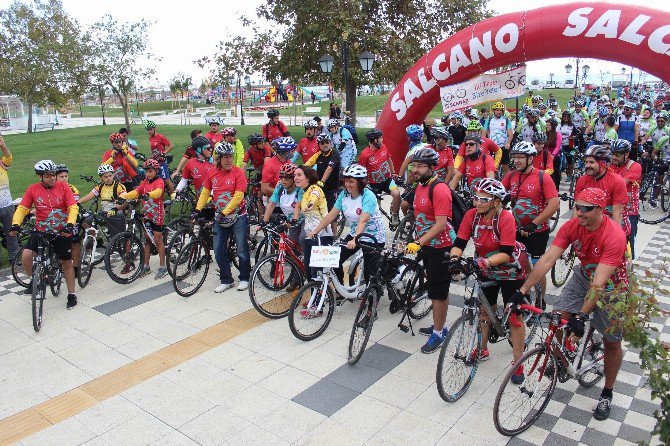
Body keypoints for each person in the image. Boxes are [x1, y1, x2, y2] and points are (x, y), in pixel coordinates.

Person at [511, 188, 628, 421]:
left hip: (613, 286)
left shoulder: (613, 234)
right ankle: (566, 357)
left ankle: (607, 392)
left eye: (586, 208)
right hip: (584, 275)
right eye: (576, 206)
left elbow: (599, 284)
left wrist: (583, 315)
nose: (579, 212)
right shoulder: (573, 226)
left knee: (612, 342)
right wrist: (521, 291)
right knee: (559, 317)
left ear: (600, 210)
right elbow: (547, 259)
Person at [449, 178, 528, 381]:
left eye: (483, 199)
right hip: (486, 267)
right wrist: (455, 259)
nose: (477, 202)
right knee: (485, 310)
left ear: (495, 201)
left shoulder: (505, 218)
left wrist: (482, 263)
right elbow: (460, 241)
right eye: (476, 197)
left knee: (515, 317)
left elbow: (506, 253)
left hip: (510, 270)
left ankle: (518, 363)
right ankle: (482, 349)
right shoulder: (471, 215)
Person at [404, 148, 455, 354]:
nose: (416, 170)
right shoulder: (420, 186)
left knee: (438, 291)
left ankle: (439, 333)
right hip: (427, 245)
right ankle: (438, 325)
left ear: (432, 168)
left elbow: (441, 224)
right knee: (434, 286)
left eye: (420, 166)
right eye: (414, 165)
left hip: (440, 247)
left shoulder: (439, 189)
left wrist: (420, 241)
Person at [10, 160, 78, 309]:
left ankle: (71, 294)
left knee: (66, 262)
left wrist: (70, 224)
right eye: (48, 176)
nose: (52, 178)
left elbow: (73, 207)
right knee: (26, 256)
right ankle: (36, 280)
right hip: (41, 230)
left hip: (62, 230)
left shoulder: (64, 187)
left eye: (53, 175)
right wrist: (16, 223)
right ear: (39, 177)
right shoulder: (33, 189)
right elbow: (22, 208)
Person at [307, 164, 386, 291]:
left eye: (351, 181)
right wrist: (315, 231)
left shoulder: (368, 196)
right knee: (333, 260)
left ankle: (372, 303)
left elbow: (363, 219)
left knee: (369, 274)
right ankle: (340, 290)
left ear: (361, 182)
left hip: (372, 237)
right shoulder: (344, 195)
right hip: (355, 234)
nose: (347, 184)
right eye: (346, 181)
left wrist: (355, 240)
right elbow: (331, 215)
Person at [502, 141, 560, 303]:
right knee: (520, 264)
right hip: (517, 230)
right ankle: (524, 296)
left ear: (530, 158)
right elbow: (498, 192)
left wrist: (534, 223)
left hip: (537, 231)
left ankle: (540, 299)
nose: (517, 161)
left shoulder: (542, 177)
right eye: (515, 157)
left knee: (537, 268)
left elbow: (554, 204)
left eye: (521, 157)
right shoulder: (512, 175)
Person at [194, 142, 250, 292]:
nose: (229, 160)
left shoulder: (238, 173)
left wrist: (225, 212)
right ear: (218, 158)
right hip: (220, 218)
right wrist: (198, 209)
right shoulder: (212, 172)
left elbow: (239, 196)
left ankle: (245, 277)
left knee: (242, 250)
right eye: (225, 157)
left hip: (238, 216)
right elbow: (206, 192)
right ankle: (226, 279)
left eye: (231, 157)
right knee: (218, 250)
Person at [118, 159, 168, 279]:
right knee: (147, 241)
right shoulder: (144, 182)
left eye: (150, 171)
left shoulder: (159, 181)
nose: (148, 174)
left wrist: (148, 195)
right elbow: (136, 192)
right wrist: (124, 196)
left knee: (157, 240)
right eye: (146, 171)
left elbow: (158, 192)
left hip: (157, 214)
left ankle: (163, 267)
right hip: (147, 214)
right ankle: (146, 266)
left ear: (156, 171)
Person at [574, 145, 630, 236]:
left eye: (591, 162)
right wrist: (573, 231)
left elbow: (617, 213)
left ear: (603, 163)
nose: (587, 165)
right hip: (591, 226)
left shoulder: (617, 181)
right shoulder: (582, 181)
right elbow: (577, 209)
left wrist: (615, 237)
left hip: (613, 226)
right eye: (586, 162)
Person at [293, 165, 333, 281]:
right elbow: (298, 205)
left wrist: (309, 205)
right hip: (311, 235)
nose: (296, 178)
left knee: (318, 275)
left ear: (308, 178)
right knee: (310, 273)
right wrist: (293, 220)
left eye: (299, 175)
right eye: (295, 175)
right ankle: (314, 298)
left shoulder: (315, 189)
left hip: (322, 235)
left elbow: (313, 199)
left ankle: (322, 297)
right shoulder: (304, 192)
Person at [357, 129, 401, 229]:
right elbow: (361, 172)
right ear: (374, 140)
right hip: (373, 185)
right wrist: (364, 185)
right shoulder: (364, 154)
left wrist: (393, 172)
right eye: (380, 138)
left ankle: (395, 216)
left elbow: (389, 159)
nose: (382, 139)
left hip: (387, 180)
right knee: (376, 209)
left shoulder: (383, 147)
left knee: (397, 194)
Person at [609, 140, 642, 259]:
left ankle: (628, 270)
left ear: (626, 154)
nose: (613, 157)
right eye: (612, 153)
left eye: (617, 154)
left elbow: (622, 183)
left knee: (628, 245)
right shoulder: (609, 166)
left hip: (629, 212)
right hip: (612, 209)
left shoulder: (634, 166)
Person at [77, 164, 127, 242]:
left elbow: (124, 195)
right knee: (87, 221)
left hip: (116, 212)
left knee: (121, 237)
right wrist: (78, 202)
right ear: (101, 178)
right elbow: (89, 196)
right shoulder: (100, 187)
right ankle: (96, 240)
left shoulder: (119, 186)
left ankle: (127, 251)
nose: (108, 178)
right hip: (104, 213)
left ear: (113, 175)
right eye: (105, 177)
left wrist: (121, 199)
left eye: (110, 175)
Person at [262, 162, 303, 252]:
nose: (283, 180)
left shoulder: (300, 189)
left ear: (294, 178)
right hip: (292, 221)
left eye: (287, 177)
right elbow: (271, 204)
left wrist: (294, 220)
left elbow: (298, 206)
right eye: (281, 177)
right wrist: (264, 221)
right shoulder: (280, 187)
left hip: (305, 219)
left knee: (303, 239)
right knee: (291, 246)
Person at [55, 164, 82, 279]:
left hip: (72, 219)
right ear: (55, 177)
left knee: (74, 243)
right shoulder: (52, 188)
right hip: (58, 219)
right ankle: (61, 265)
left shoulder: (72, 189)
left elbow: (71, 206)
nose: (64, 178)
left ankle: (75, 268)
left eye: (66, 176)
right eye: (61, 176)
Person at [0, 135, 18, 263]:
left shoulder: (2, 164)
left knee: (11, 231)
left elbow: (8, 157)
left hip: (6, 204)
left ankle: (14, 257)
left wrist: (2, 145)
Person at [483, 102, 514, 172]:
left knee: (505, 166)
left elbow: (510, 134)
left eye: (500, 110)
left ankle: (507, 182)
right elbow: (484, 133)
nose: (499, 112)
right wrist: (484, 144)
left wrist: (508, 143)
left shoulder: (506, 120)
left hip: (503, 146)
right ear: (494, 111)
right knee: (490, 166)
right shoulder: (489, 120)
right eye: (497, 110)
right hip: (492, 146)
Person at [145, 120, 174, 195]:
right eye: (148, 130)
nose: (149, 131)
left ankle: (174, 195)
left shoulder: (161, 137)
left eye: (151, 129)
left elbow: (171, 145)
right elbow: (154, 150)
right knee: (156, 179)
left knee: (167, 180)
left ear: (155, 128)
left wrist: (164, 153)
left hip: (161, 162)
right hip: (155, 162)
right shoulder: (150, 138)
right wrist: (150, 157)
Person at [545, 119, 563, 186]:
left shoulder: (558, 135)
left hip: (555, 156)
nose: (547, 127)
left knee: (556, 172)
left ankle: (556, 188)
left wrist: (553, 155)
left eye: (549, 125)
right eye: (547, 126)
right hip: (546, 156)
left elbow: (558, 147)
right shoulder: (545, 134)